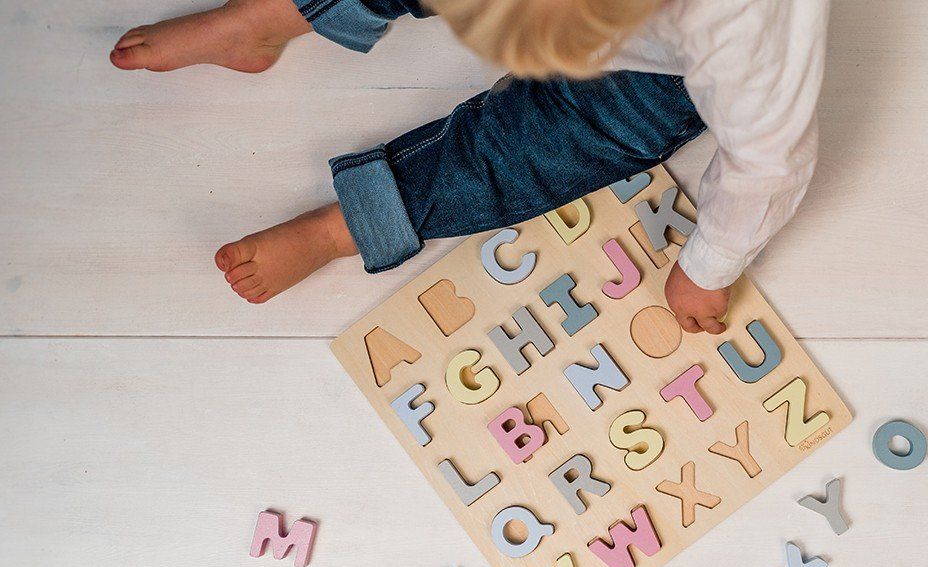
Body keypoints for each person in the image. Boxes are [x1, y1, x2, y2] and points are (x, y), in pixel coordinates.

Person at [111, 0, 828, 335]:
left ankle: (349, 227)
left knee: (544, 144)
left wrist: (708, 267)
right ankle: (270, 18)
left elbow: (767, 165)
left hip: (657, 76)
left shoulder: (748, 38)